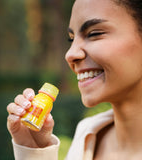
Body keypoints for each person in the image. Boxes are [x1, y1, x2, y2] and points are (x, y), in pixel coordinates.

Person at [7, 0, 142, 159]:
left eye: (94, 34)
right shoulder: (86, 135)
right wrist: (34, 151)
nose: (70, 54)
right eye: (71, 39)